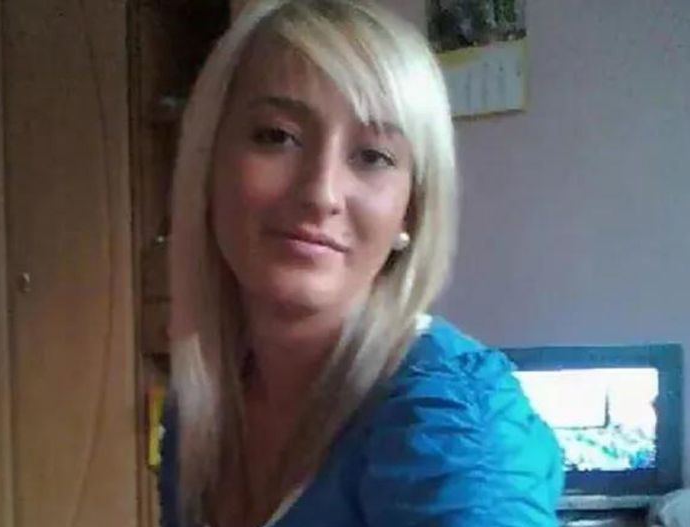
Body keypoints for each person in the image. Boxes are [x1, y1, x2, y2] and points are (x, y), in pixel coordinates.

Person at [160, 1, 564, 526]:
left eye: (373, 156)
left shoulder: (450, 424)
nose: (320, 193)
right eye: (277, 136)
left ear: (410, 210)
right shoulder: (201, 403)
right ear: (209, 164)